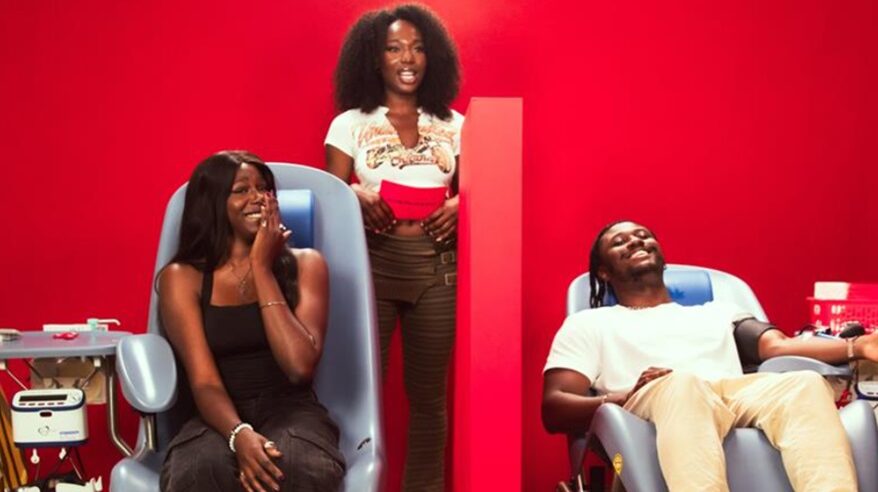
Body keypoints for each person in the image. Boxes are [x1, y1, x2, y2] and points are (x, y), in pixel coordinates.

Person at [542, 220, 878, 492]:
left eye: (643, 235)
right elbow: (555, 406)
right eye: (620, 242)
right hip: (650, 401)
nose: (636, 241)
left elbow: (778, 347)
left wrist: (858, 347)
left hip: (730, 394)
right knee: (683, 384)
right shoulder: (589, 323)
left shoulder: (717, 312)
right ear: (602, 272)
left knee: (803, 384)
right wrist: (623, 396)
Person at [324, 4, 463, 491]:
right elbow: (329, 197)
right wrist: (355, 193)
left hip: (438, 266)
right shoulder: (349, 124)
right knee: (361, 393)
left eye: (418, 47)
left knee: (429, 397)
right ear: (374, 58)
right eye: (395, 47)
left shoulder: (457, 124)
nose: (409, 58)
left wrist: (462, 203)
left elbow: (478, 194)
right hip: (370, 266)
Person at [158, 151, 344, 492]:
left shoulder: (307, 265)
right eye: (242, 190)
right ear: (213, 202)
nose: (258, 198)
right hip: (216, 413)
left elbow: (299, 367)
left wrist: (262, 267)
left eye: (264, 188)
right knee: (198, 472)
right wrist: (238, 434)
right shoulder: (182, 278)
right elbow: (204, 382)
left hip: (292, 411)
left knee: (296, 468)